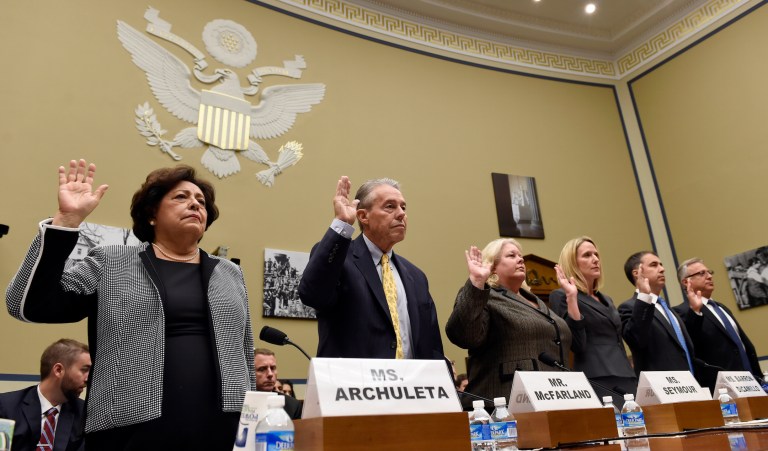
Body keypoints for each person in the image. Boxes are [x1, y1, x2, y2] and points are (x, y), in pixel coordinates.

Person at [5, 159, 256, 450]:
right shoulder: (112, 262)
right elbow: (29, 304)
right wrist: (65, 223)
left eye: (201, 201)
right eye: (181, 197)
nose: (195, 204)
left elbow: (244, 350)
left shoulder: (229, 272)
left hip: (223, 427)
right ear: (151, 214)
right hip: (132, 429)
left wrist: (250, 417)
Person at [298, 176, 445, 360]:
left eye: (403, 207)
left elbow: (431, 344)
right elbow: (312, 295)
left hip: (409, 386)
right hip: (355, 385)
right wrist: (342, 223)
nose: (401, 214)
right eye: (390, 206)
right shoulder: (340, 258)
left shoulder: (416, 276)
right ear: (363, 216)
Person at [445, 239, 578, 408]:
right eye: (511, 255)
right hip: (505, 401)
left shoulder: (536, 301)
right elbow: (464, 335)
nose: (520, 259)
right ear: (492, 266)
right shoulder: (485, 295)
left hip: (553, 397)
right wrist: (477, 282)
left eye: (520, 256)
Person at [549, 237, 637, 405]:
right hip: (596, 375)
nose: (596, 259)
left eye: (596, 254)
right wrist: (572, 298)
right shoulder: (560, 296)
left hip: (625, 373)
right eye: (587, 255)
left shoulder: (607, 299)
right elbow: (577, 344)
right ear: (572, 263)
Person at [675, 258, 762, 391]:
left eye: (709, 272)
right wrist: (695, 311)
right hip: (722, 389)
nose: (709, 276)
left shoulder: (722, 308)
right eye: (701, 273)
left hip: (752, 381)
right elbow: (691, 345)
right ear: (687, 282)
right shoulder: (682, 312)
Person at [0, 339, 90, 451]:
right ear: (58, 370)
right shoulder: (5, 407)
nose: (88, 379)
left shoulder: (85, 414)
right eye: (84, 370)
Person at [618, 251, 696, 379]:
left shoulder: (668, 309)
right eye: (654, 265)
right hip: (663, 387)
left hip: (690, 383)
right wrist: (644, 296)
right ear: (637, 273)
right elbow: (637, 340)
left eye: (661, 264)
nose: (662, 269)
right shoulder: (628, 307)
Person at [254, 349, 302, 419]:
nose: (270, 374)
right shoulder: (238, 403)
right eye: (262, 369)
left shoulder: (292, 405)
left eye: (273, 368)